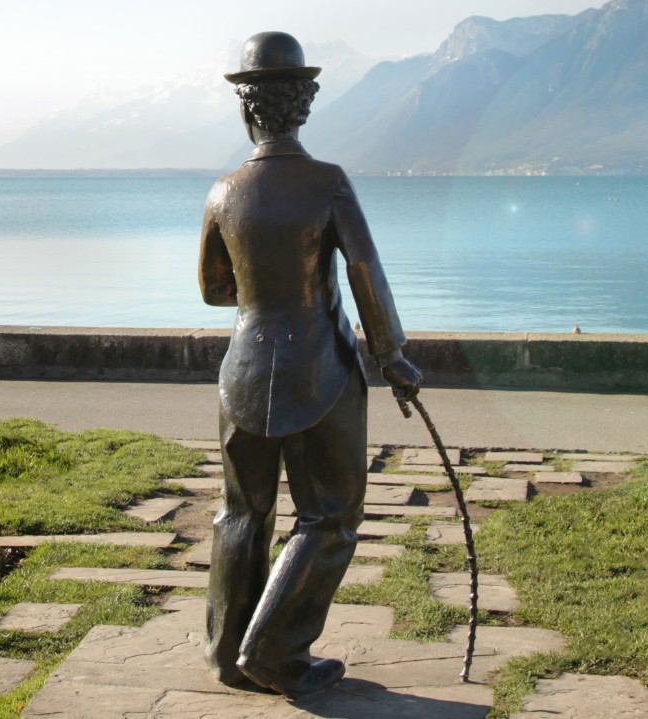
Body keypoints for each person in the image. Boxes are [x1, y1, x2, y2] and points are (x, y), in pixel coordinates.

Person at [199, 31, 423, 698]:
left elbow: (214, 288)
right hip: (319, 370)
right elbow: (363, 271)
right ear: (302, 106)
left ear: (247, 107)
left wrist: (261, 288)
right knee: (328, 516)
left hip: (242, 369)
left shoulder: (223, 192)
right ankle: (273, 651)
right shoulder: (328, 183)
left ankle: (225, 649)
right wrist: (393, 355)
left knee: (241, 513)